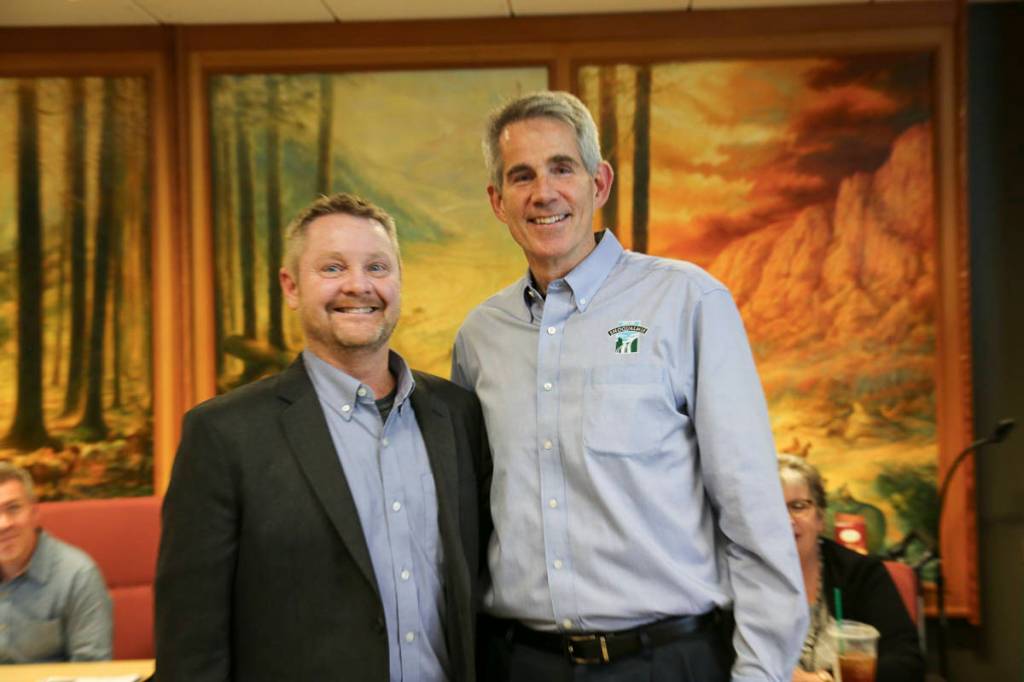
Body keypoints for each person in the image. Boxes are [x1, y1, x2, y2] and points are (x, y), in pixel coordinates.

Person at [451, 90, 806, 681]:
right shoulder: (479, 337)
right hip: (519, 664)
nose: (544, 192)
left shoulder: (688, 302)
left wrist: (762, 672)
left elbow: (752, 512)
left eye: (562, 168)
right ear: (497, 201)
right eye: (522, 176)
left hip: (665, 661)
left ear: (600, 182)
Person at [156, 193, 489, 682]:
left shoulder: (456, 415)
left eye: (377, 267)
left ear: (398, 281)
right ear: (291, 287)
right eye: (332, 268)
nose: (359, 285)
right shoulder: (223, 436)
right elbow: (192, 647)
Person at [777, 455, 924, 682]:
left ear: (820, 518)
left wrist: (828, 679)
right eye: (773, 508)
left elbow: (907, 661)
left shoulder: (861, 573)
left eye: (798, 507)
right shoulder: (741, 577)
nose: (787, 521)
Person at [0, 462, 113, 663]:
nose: (4, 524)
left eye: (13, 508)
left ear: (34, 512)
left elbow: (92, 671)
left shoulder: (78, 575)